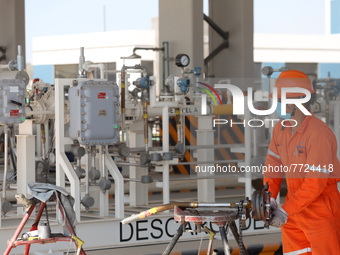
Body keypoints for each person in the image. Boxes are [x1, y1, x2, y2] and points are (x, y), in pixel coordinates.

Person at [264, 70, 340, 255]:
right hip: (293, 208)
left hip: (320, 208)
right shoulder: (280, 129)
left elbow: (315, 183)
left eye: (281, 100)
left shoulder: (318, 134)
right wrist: (270, 197)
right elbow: (273, 164)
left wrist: (285, 211)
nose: (277, 105)